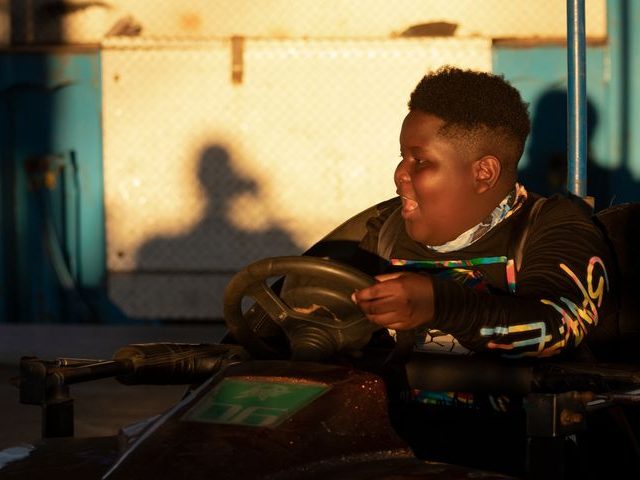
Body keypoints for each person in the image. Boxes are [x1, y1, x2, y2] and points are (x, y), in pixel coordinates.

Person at [352, 66, 617, 360]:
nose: (400, 173)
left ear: (483, 173)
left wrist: (443, 306)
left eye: (420, 161)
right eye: (403, 157)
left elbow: (560, 325)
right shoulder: (386, 230)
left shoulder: (554, 226)